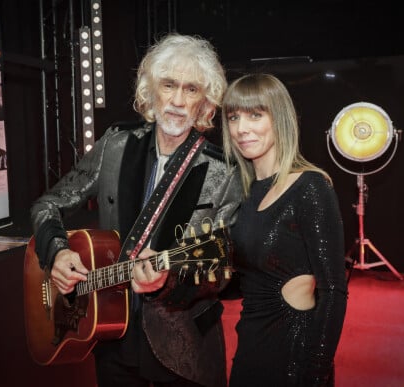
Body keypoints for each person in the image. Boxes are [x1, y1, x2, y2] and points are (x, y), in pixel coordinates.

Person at [30, 33, 241, 387]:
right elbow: (46, 205)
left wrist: (169, 279)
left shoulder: (223, 172)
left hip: (184, 349)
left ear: (205, 103)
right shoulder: (115, 145)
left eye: (191, 90)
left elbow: (224, 270)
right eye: (168, 84)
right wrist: (56, 253)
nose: (176, 100)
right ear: (150, 89)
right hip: (112, 341)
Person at [221, 73, 348, 386]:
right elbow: (245, 280)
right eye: (234, 117)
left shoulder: (310, 187)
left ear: (279, 118)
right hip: (249, 347)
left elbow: (333, 291)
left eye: (255, 115)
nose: (241, 128)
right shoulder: (242, 194)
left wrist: (315, 371)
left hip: (295, 353)